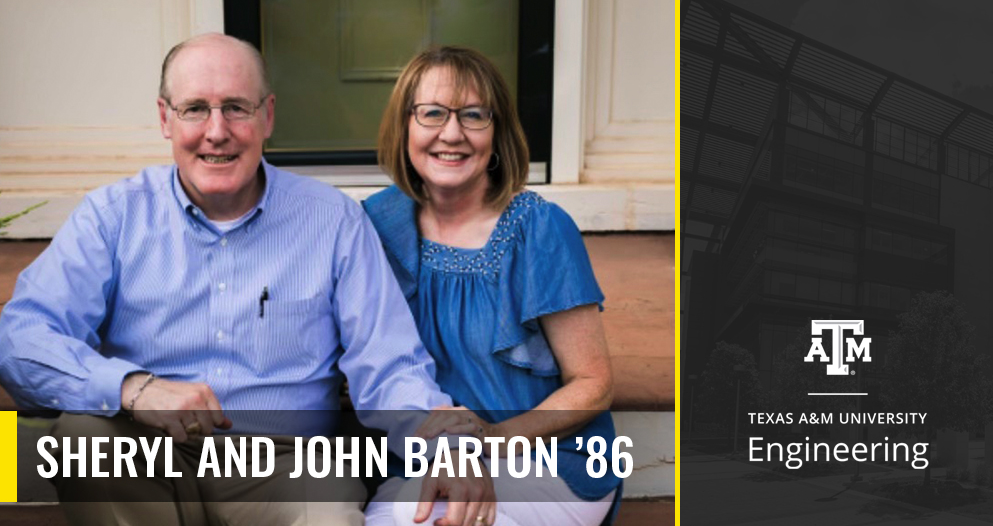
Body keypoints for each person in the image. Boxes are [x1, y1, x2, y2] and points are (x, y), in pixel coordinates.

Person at [0, 33, 493, 526]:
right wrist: (134, 388)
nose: (217, 131)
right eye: (195, 108)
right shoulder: (112, 217)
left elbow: (389, 367)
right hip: (145, 452)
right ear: (164, 118)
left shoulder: (332, 221)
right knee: (83, 438)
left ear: (268, 116)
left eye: (236, 107)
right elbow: (19, 340)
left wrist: (449, 450)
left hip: (286, 464)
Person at [362, 46, 621, 526]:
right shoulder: (378, 224)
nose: (452, 133)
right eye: (432, 113)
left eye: (474, 115)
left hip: (549, 458)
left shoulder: (539, 229)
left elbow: (593, 384)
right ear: (405, 128)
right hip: (429, 459)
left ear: (498, 133)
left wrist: (492, 440)